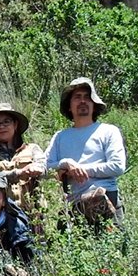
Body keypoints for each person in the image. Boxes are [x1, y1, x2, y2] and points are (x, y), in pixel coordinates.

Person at [44, 77, 127, 226]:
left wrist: (82, 170)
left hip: (106, 200)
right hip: (73, 207)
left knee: (112, 248)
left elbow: (117, 166)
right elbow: (44, 167)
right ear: (69, 106)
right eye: (77, 97)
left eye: (87, 97)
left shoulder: (108, 131)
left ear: (94, 105)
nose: (83, 101)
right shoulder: (60, 137)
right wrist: (66, 163)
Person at [0, 102, 46, 211]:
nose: (1, 126)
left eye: (6, 122)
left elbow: (45, 169)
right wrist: (19, 173)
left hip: (34, 212)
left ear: (15, 125)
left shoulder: (33, 149)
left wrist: (37, 169)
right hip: (1, 214)